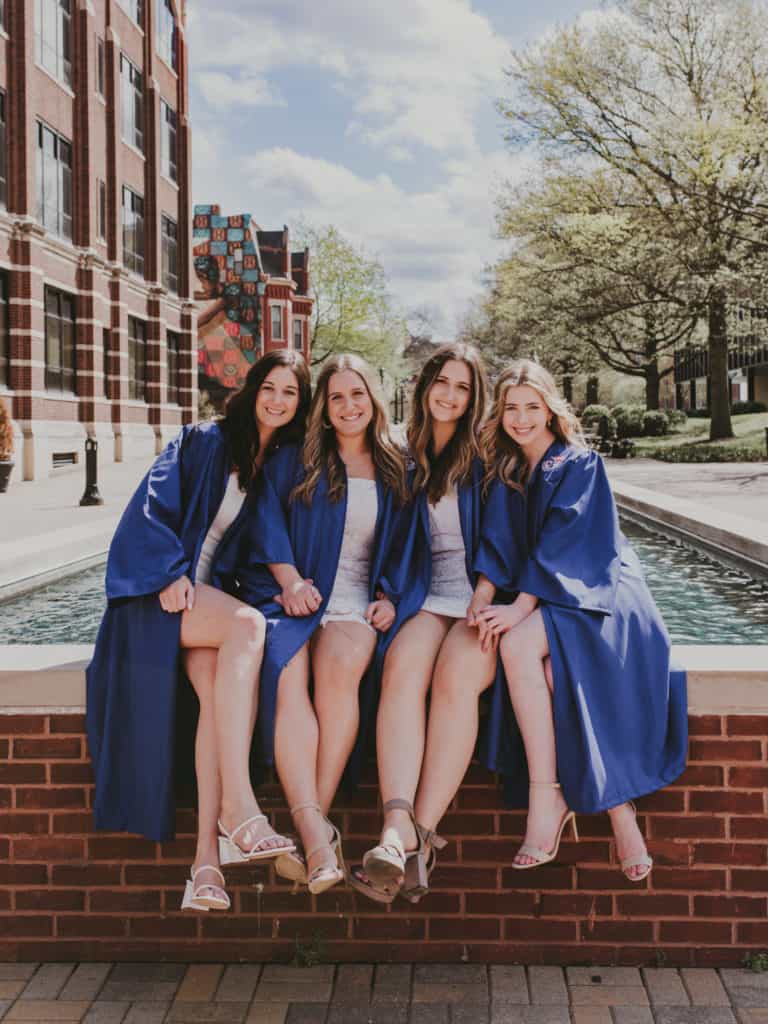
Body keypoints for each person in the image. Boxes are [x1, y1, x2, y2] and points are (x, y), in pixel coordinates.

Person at [86, 350, 311, 912]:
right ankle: (239, 807)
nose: (278, 400)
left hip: (202, 605)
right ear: (253, 388)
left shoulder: (270, 461)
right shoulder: (205, 440)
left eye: (291, 393)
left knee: (217, 692)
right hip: (160, 600)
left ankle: (205, 864)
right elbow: (149, 507)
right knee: (247, 624)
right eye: (270, 387)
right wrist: (166, 572)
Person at [474, 359, 687, 880]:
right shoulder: (504, 470)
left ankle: (546, 798)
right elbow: (499, 544)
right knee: (551, 673)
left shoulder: (578, 463)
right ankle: (619, 813)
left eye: (532, 407)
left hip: (600, 590)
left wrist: (521, 605)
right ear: (498, 414)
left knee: (520, 647)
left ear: (551, 408)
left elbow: (571, 544)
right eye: (510, 409)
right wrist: (484, 597)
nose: (521, 419)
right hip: (552, 595)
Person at [235, 353, 408, 895]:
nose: (348, 406)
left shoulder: (396, 467)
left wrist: (393, 598)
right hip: (299, 595)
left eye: (357, 394)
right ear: (324, 408)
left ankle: (315, 825)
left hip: (356, 603)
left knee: (338, 677)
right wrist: (288, 582)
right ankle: (316, 835)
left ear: (372, 399)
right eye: (336, 397)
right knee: (288, 672)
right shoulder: (297, 460)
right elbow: (266, 520)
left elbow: (411, 546)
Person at [351, 342, 496, 903]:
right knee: (401, 669)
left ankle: (415, 836)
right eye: (443, 382)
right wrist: (389, 594)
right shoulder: (404, 454)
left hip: (479, 595)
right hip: (426, 596)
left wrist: (485, 595)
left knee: (453, 681)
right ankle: (395, 824)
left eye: (463, 387)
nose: (450, 395)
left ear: (473, 395)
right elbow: (395, 538)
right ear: (425, 383)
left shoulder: (487, 453)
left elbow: (505, 535)